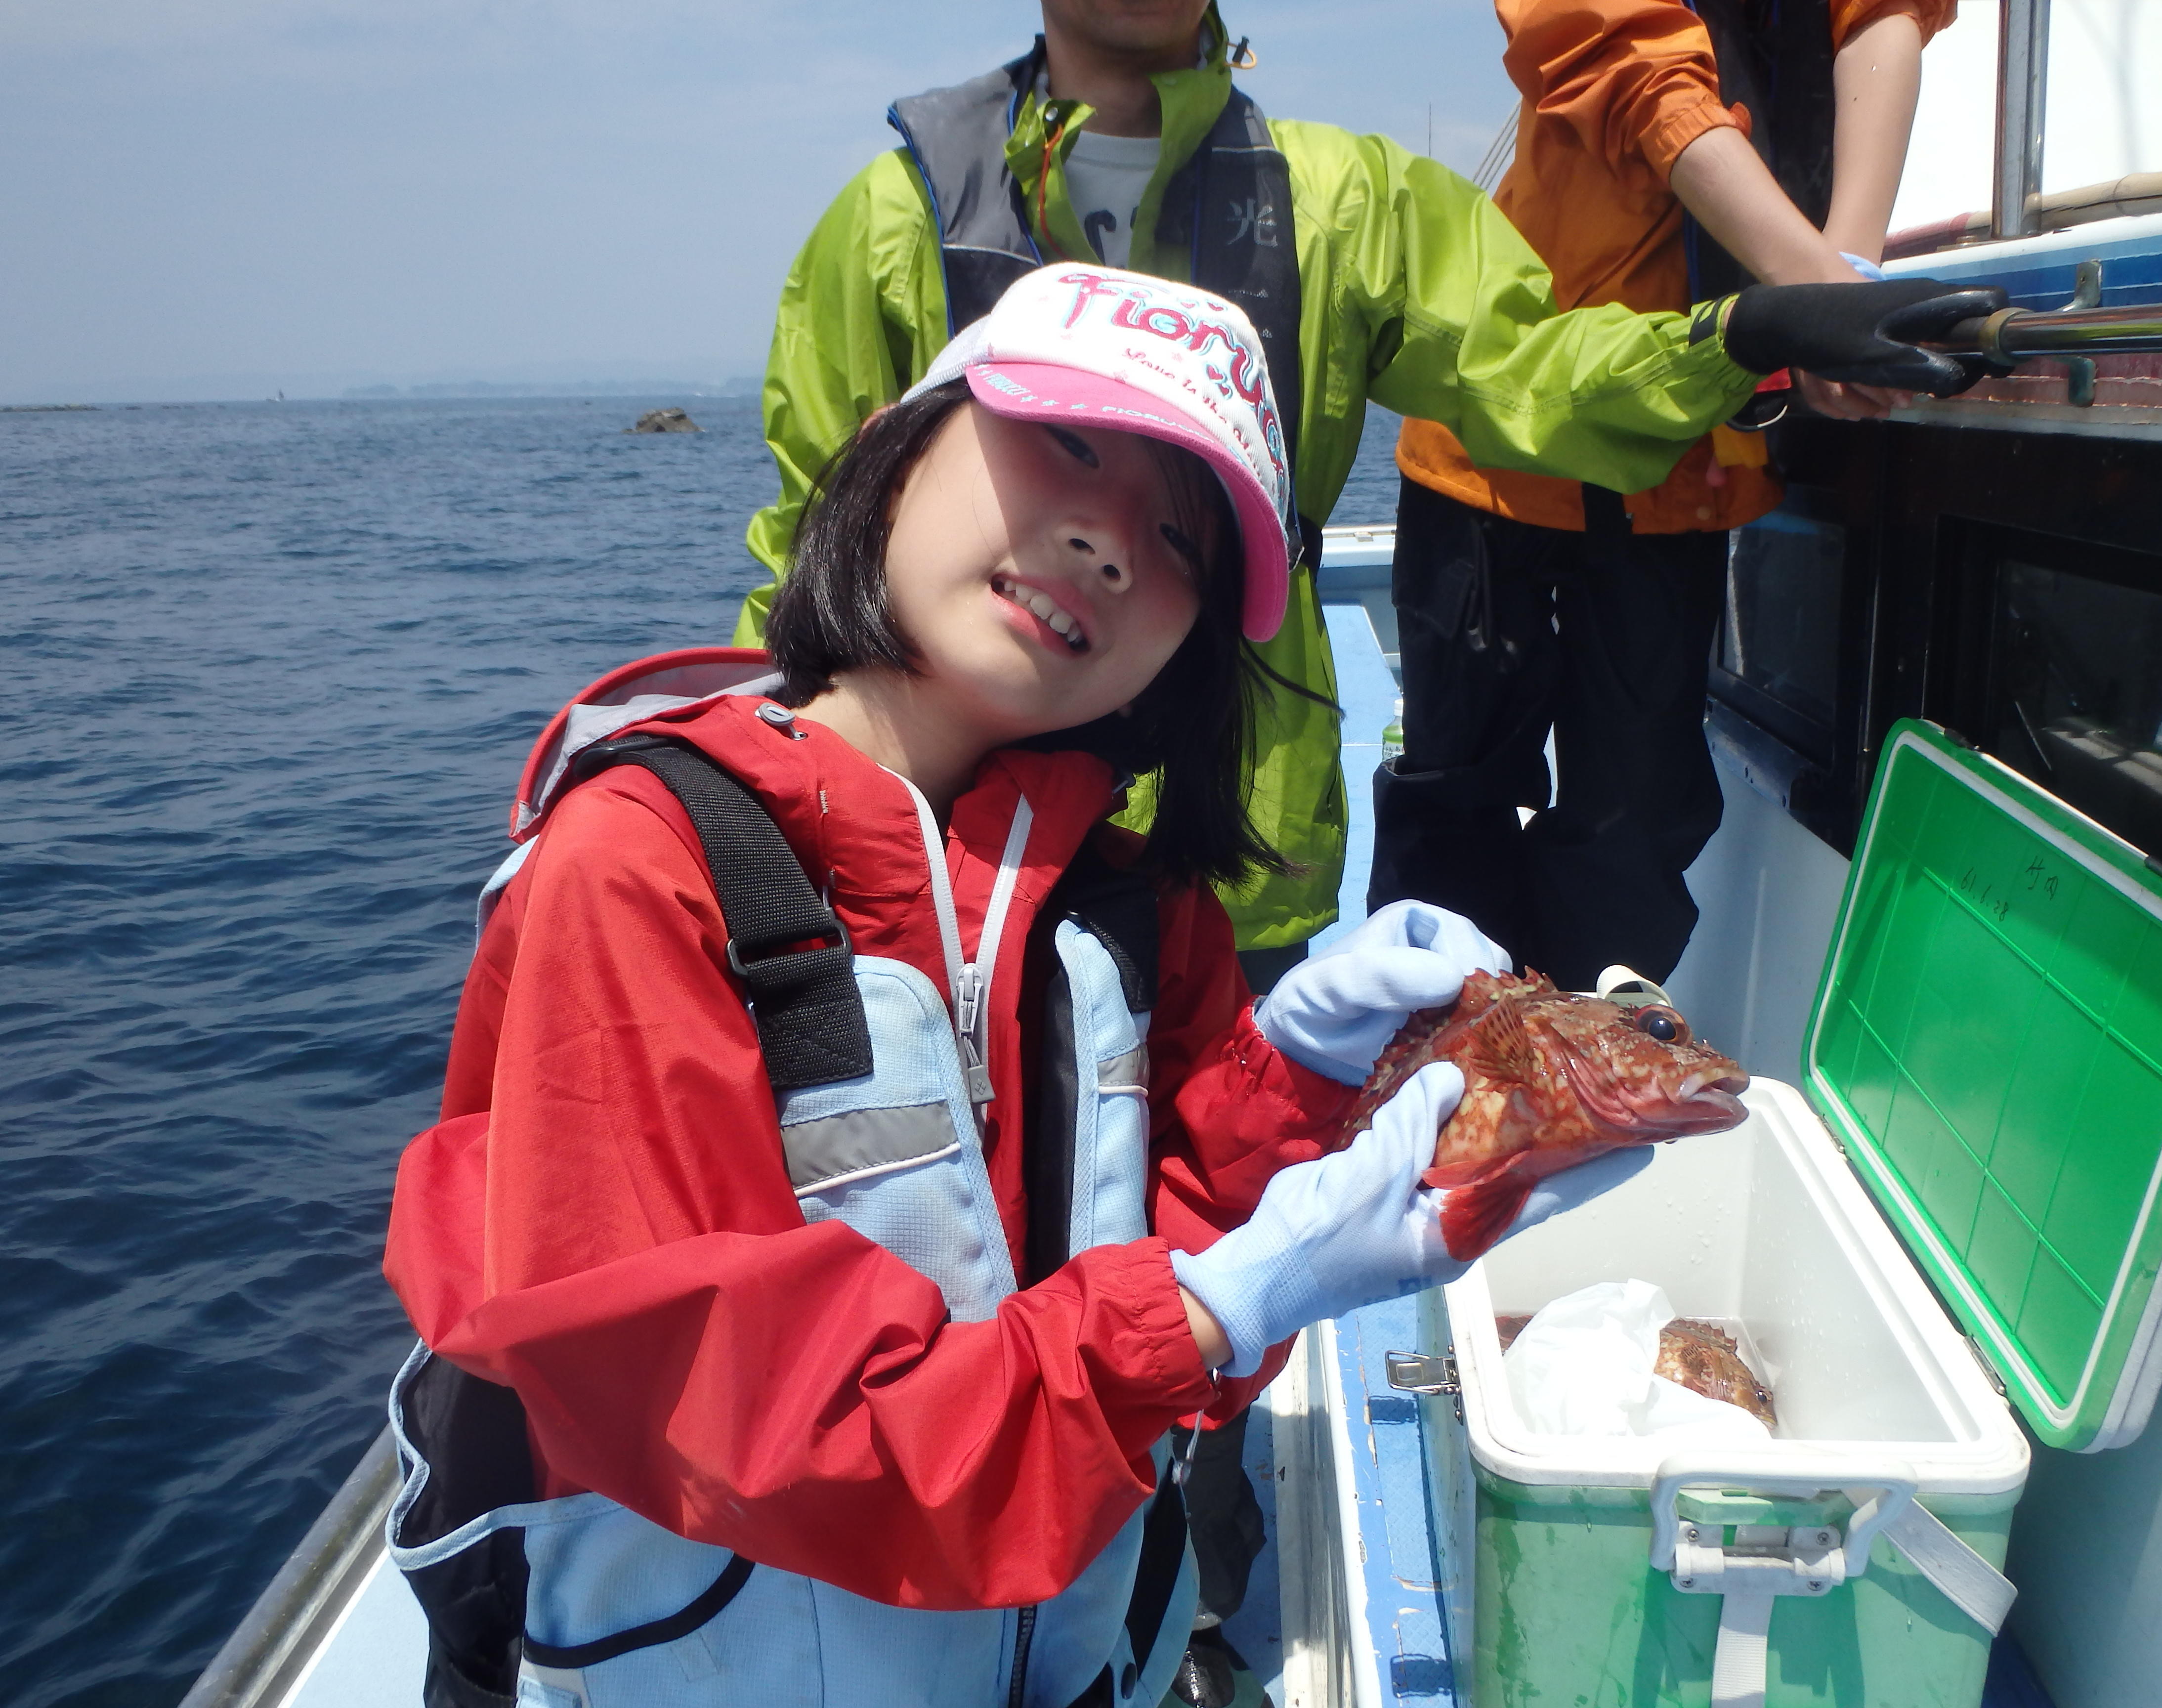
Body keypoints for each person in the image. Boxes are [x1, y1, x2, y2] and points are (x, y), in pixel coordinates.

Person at [382, 266, 1680, 1708]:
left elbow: (1167, 1301)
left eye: (1183, 536)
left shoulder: (1133, 905)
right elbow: (741, 1420)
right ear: (891, 446)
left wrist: (1292, 1083)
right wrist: (1221, 1307)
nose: (1113, 542)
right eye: (1068, 442)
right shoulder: (643, 870)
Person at [728, 0, 1971, 997]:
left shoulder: (1351, 206)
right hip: (926, 839)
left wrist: (1744, 328)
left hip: (1231, 837)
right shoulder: (889, 225)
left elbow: (1531, 366)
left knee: (1196, 1178)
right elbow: (808, 555)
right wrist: (744, 822)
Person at [1374, 0, 1958, 992]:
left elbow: (1880, 17)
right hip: (1501, 450)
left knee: (1638, 814)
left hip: (1686, 462)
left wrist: (1842, 283)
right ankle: (1448, 1063)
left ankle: (1585, 1071)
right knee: (1456, 794)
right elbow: (1633, 68)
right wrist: (1814, 292)